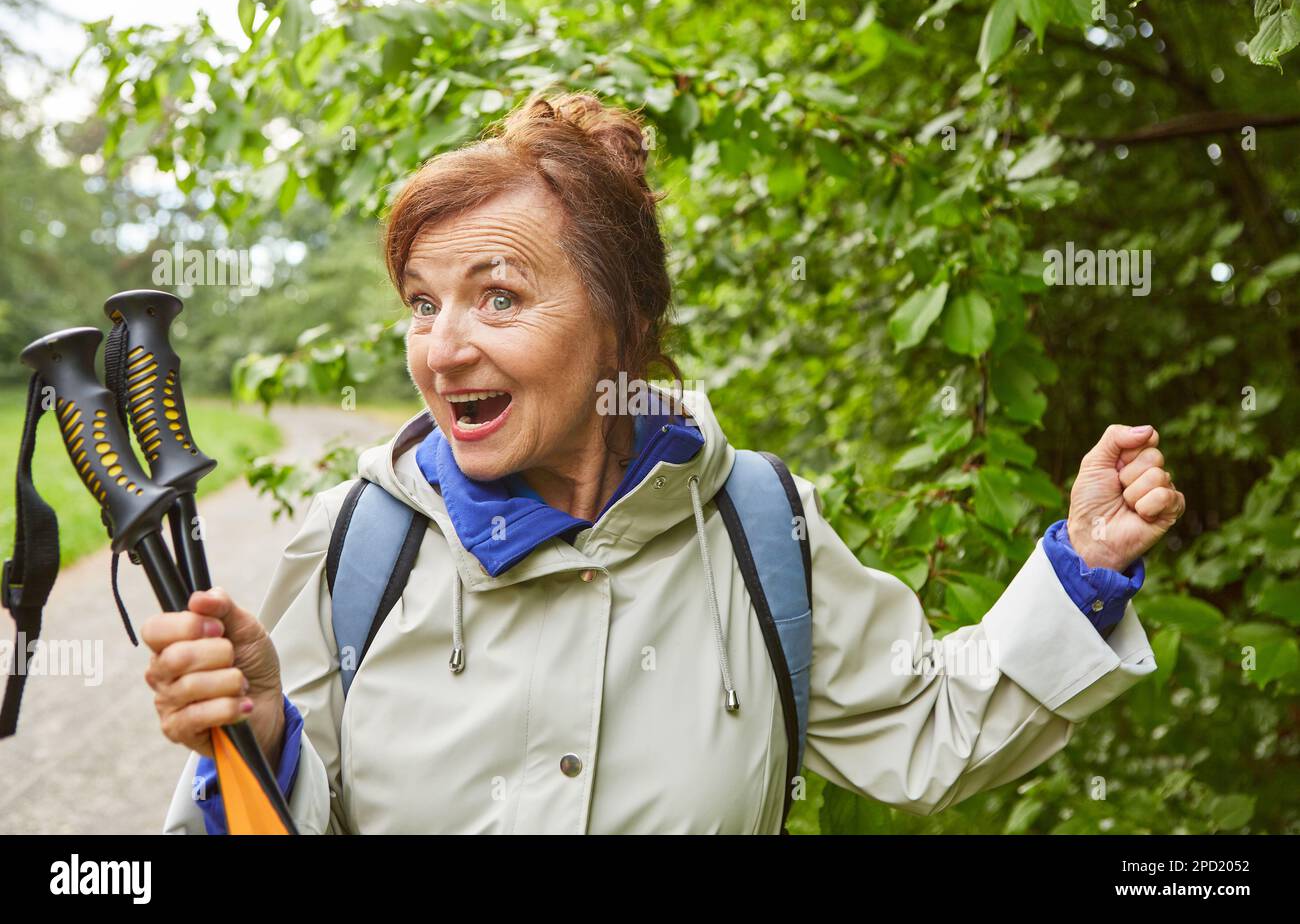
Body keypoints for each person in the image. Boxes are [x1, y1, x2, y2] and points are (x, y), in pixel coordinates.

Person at [147, 91, 1184, 834]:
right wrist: (265, 738)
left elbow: (930, 726)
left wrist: (1082, 569)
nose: (442, 345)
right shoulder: (352, 546)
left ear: (624, 320)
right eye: (422, 301)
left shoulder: (759, 524)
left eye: (498, 294)